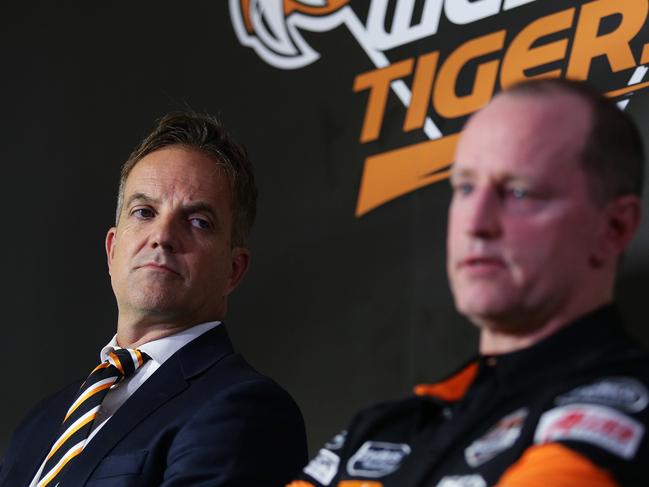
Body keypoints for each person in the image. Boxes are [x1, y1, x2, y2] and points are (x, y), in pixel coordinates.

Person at [289, 79, 649, 486]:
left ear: (615, 227)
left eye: (518, 192)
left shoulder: (623, 411)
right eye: (464, 187)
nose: (475, 223)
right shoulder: (381, 429)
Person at [0, 112, 308, 486]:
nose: (162, 236)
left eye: (198, 222)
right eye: (144, 212)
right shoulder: (42, 421)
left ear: (233, 269)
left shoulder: (248, 409)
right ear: (113, 250)